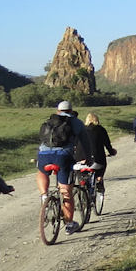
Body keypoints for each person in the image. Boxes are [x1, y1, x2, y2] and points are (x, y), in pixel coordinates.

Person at [36, 100, 93, 235]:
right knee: (66, 191)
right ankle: (69, 224)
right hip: (63, 157)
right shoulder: (76, 122)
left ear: (58, 111)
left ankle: (44, 195)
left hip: (44, 154)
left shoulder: (50, 121)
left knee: (42, 172)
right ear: (71, 111)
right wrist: (89, 158)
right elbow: (85, 143)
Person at [73, 112, 117, 193]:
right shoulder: (101, 130)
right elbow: (107, 144)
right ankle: (99, 179)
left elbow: (75, 144)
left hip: (79, 160)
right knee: (102, 165)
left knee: (79, 172)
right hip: (96, 161)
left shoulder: (81, 130)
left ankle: (80, 183)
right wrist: (112, 152)